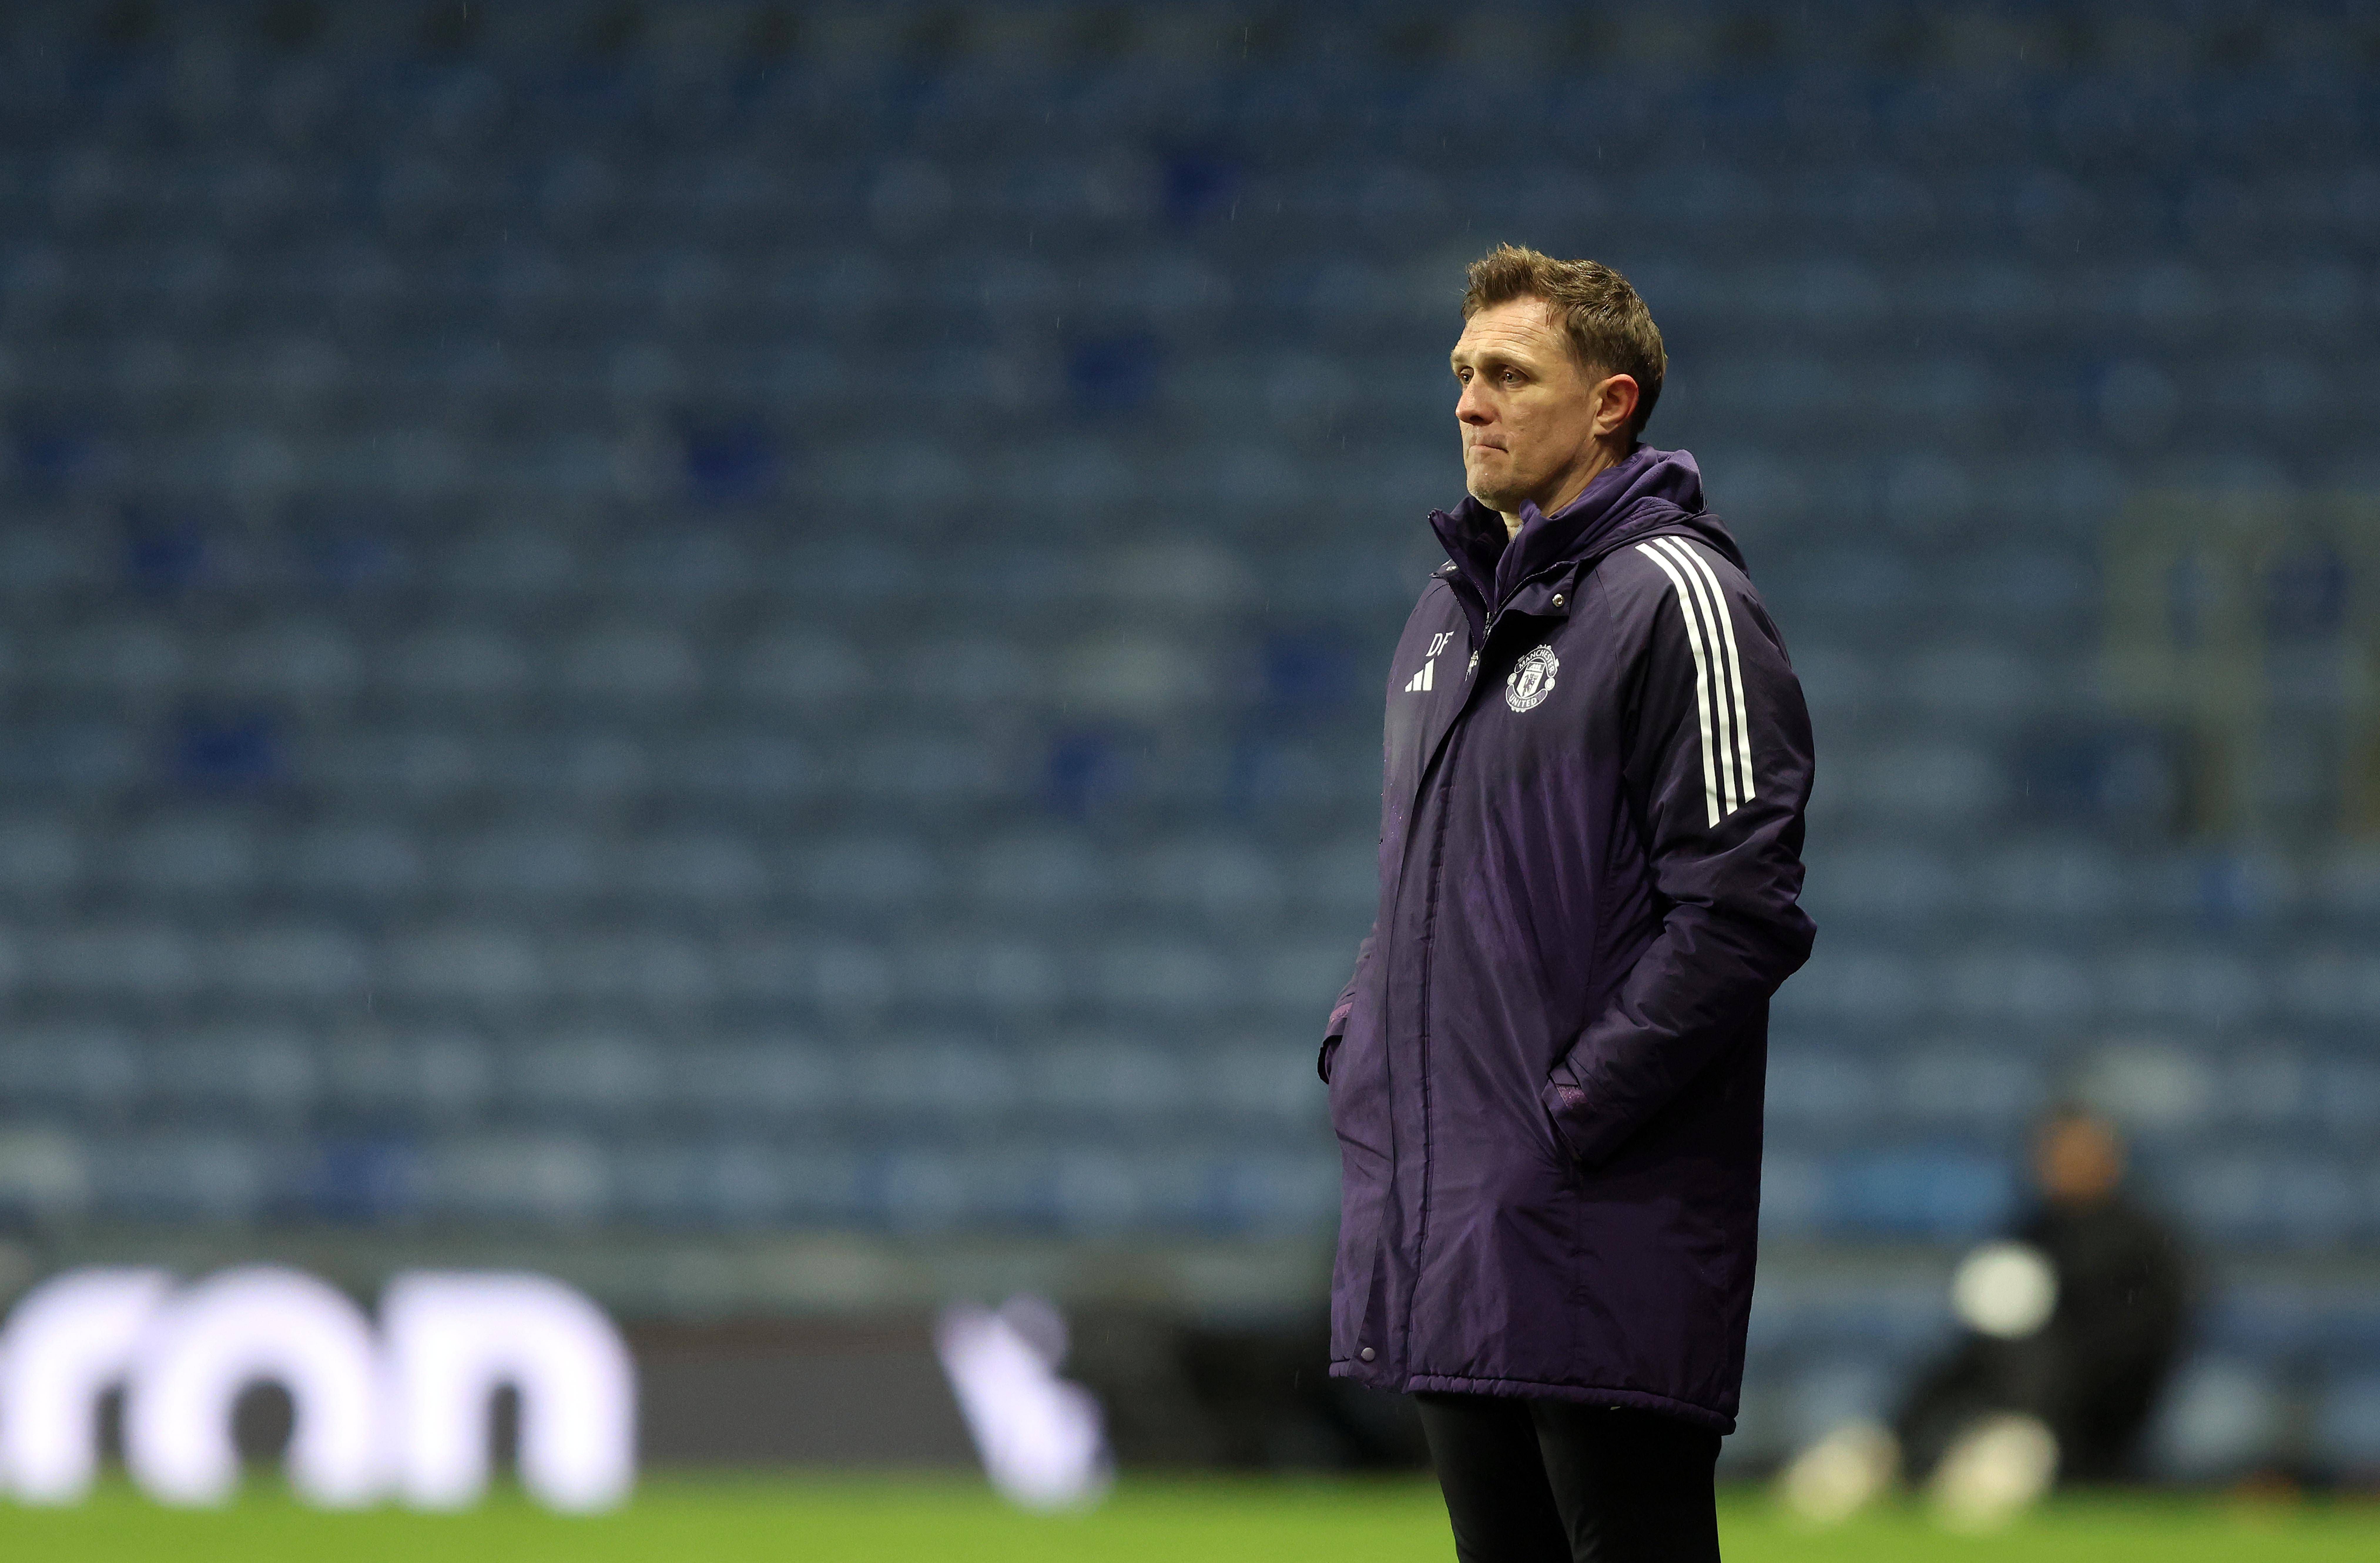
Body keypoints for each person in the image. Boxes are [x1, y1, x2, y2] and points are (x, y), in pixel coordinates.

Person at [1320, 245, 1817, 1562]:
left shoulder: (1680, 597)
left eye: (1509, 374)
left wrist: (1573, 1108)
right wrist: (1362, 1044)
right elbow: (1421, 884)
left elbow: (1743, 908)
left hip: (1595, 1208)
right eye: (1463, 373)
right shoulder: (1445, 615)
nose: (1471, 402)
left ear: (1612, 402)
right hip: (1458, 1205)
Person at [1781, 1107, 2195, 1530]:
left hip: (2093, 1422)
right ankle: (1884, 1449)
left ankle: (2009, 1449)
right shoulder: (2030, 1233)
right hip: (2004, 1400)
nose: (2063, 1165)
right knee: (1978, 1357)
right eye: (2055, 1152)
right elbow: (1980, 1342)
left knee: (2030, 1360)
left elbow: (2141, 1350)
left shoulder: (2145, 1244)